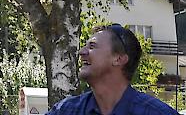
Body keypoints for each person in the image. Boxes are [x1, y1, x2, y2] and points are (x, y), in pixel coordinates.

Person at [47, 23, 178, 114]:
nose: (81, 52)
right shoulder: (66, 110)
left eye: (92, 46)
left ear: (119, 59)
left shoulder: (156, 112)